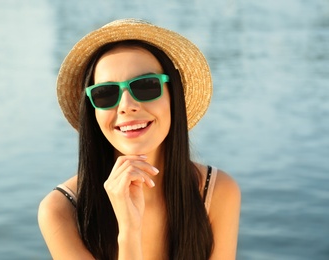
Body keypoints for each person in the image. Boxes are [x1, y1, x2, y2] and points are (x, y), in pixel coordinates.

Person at [38, 18, 241, 260]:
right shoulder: (61, 210)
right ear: (92, 111)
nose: (126, 106)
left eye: (146, 86)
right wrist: (128, 232)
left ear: (173, 96)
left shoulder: (215, 191)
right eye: (106, 93)